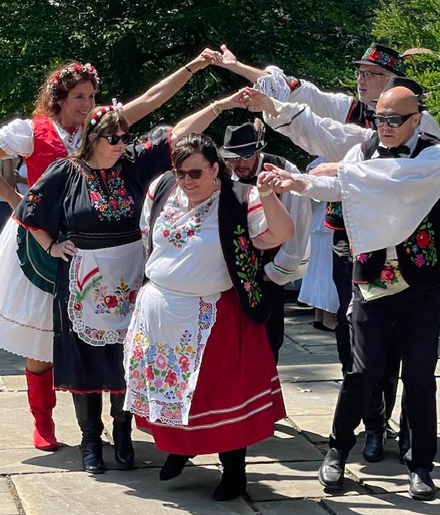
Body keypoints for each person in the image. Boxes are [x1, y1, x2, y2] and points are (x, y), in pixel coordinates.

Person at [258, 84, 440, 501]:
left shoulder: (437, 155)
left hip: (423, 279)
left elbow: (392, 180)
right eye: (379, 119)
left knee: (420, 374)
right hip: (373, 275)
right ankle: (337, 449)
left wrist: (326, 174)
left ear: (414, 120)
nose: (383, 127)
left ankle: (420, 464)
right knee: (361, 370)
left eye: (393, 120)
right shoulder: (363, 153)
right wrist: (297, 183)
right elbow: (343, 187)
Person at [0, 52, 214, 452]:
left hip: (99, 242)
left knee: (109, 337)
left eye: (92, 96)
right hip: (41, 240)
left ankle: (116, 425)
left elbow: (152, 100)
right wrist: (15, 198)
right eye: (79, 96)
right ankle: (42, 420)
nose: (87, 104)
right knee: (41, 340)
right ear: (59, 98)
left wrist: (194, 67)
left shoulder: (105, 131)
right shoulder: (32, 132)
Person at [123, 134, 292, 501]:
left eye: (196, 172)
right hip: (162, 311)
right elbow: (147, 237)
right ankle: (181, 450)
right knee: (173, 390)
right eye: (180, 172)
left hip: (213, 313)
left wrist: (266, 195)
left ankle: (234, 472)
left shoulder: (239, 199)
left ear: (216, 169)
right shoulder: (162, 188)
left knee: (218, 395)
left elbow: (282, 233)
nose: (187, 180)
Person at [172, 95, 312, 362]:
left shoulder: (282, 169)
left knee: (270, 340)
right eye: (233, 157)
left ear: (258, 150)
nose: (240, 163)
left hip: (270, 272)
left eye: (246, 155)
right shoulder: (222, 178)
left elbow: (299, 225)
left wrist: (277, 271)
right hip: (232, 276)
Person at [298, 158, 339, 331]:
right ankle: (327, 317)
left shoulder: (316, 164)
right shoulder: (320, 164)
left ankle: (320, 316)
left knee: (318, 271)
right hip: (325, 224)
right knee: (325, 272)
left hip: (320, 224)